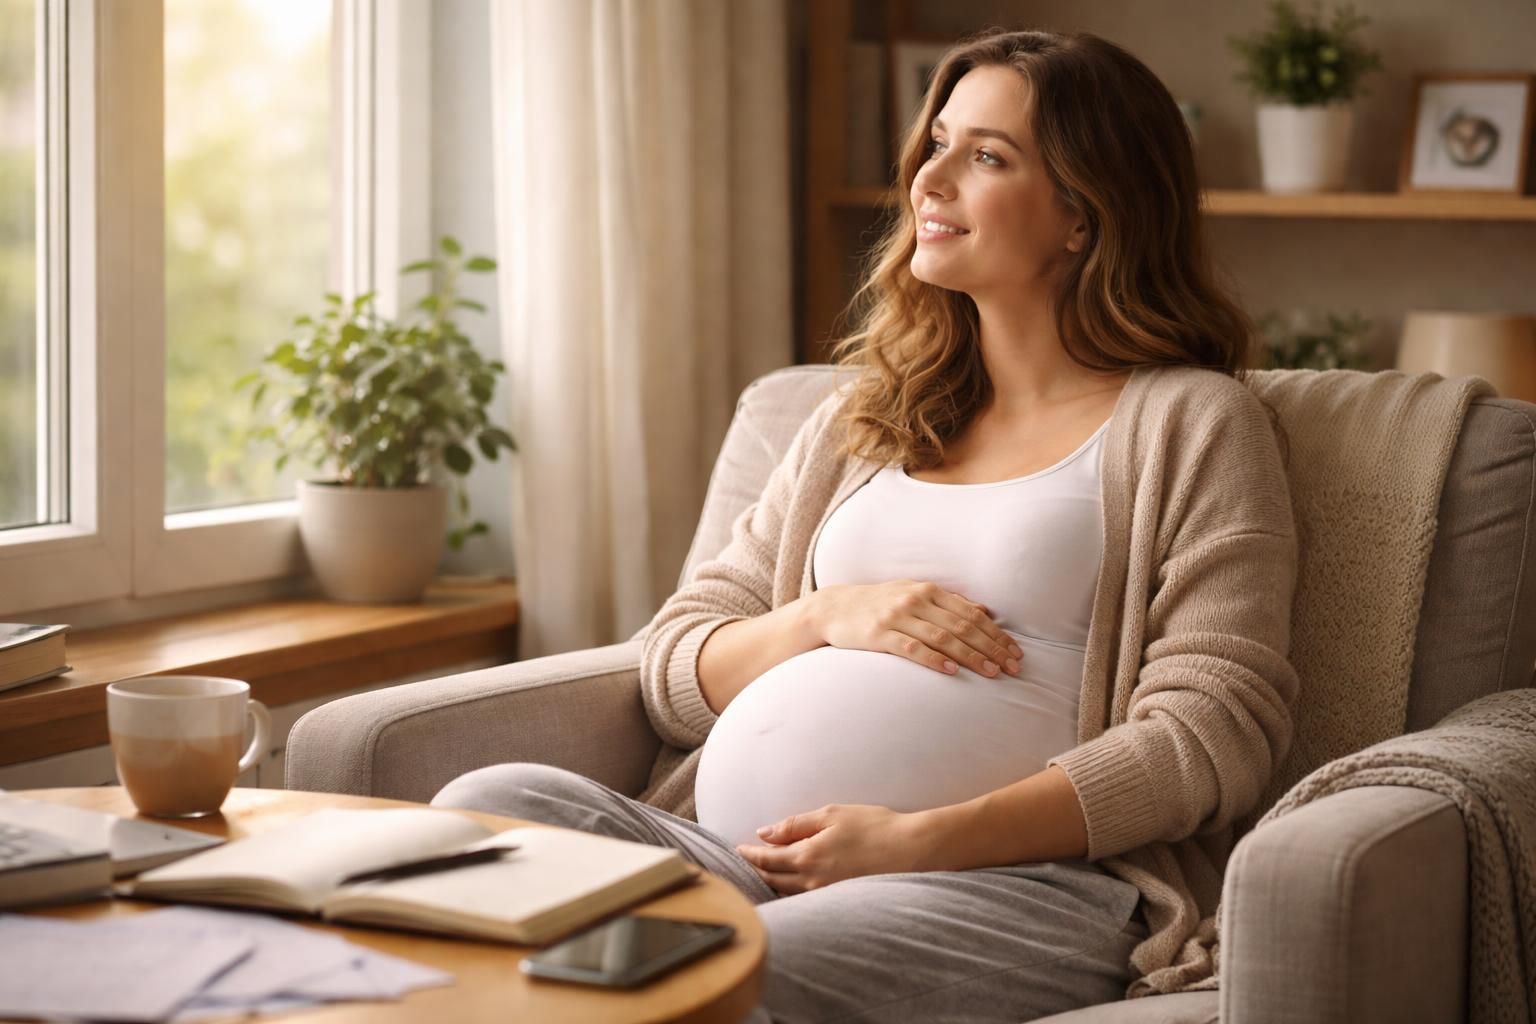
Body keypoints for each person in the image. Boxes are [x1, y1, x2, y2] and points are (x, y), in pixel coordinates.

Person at [432, 27, 1300, 1022]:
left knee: (723, 967)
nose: (929, 178)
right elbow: (673, 665)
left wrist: (917, 837)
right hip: (737, 861)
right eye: (935, 141)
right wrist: (823, 616)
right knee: (481, 814)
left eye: (987, 156)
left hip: (1017, 885)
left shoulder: (1192, 423)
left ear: (1084, 212)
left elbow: (1212, 734)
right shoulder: (860, 422)